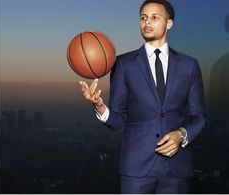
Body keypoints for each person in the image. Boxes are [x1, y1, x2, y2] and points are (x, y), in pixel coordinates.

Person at [79, 0, 206, 193]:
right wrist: (99, 106)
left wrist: (181, 135)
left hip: (177, 169)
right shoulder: (123, 64)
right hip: (135, 169)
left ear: (169, 23)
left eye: (155, 17)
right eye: (143, 18)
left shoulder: (190, 65)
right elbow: (118, 121)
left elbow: (199, 116)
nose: (147, 22)